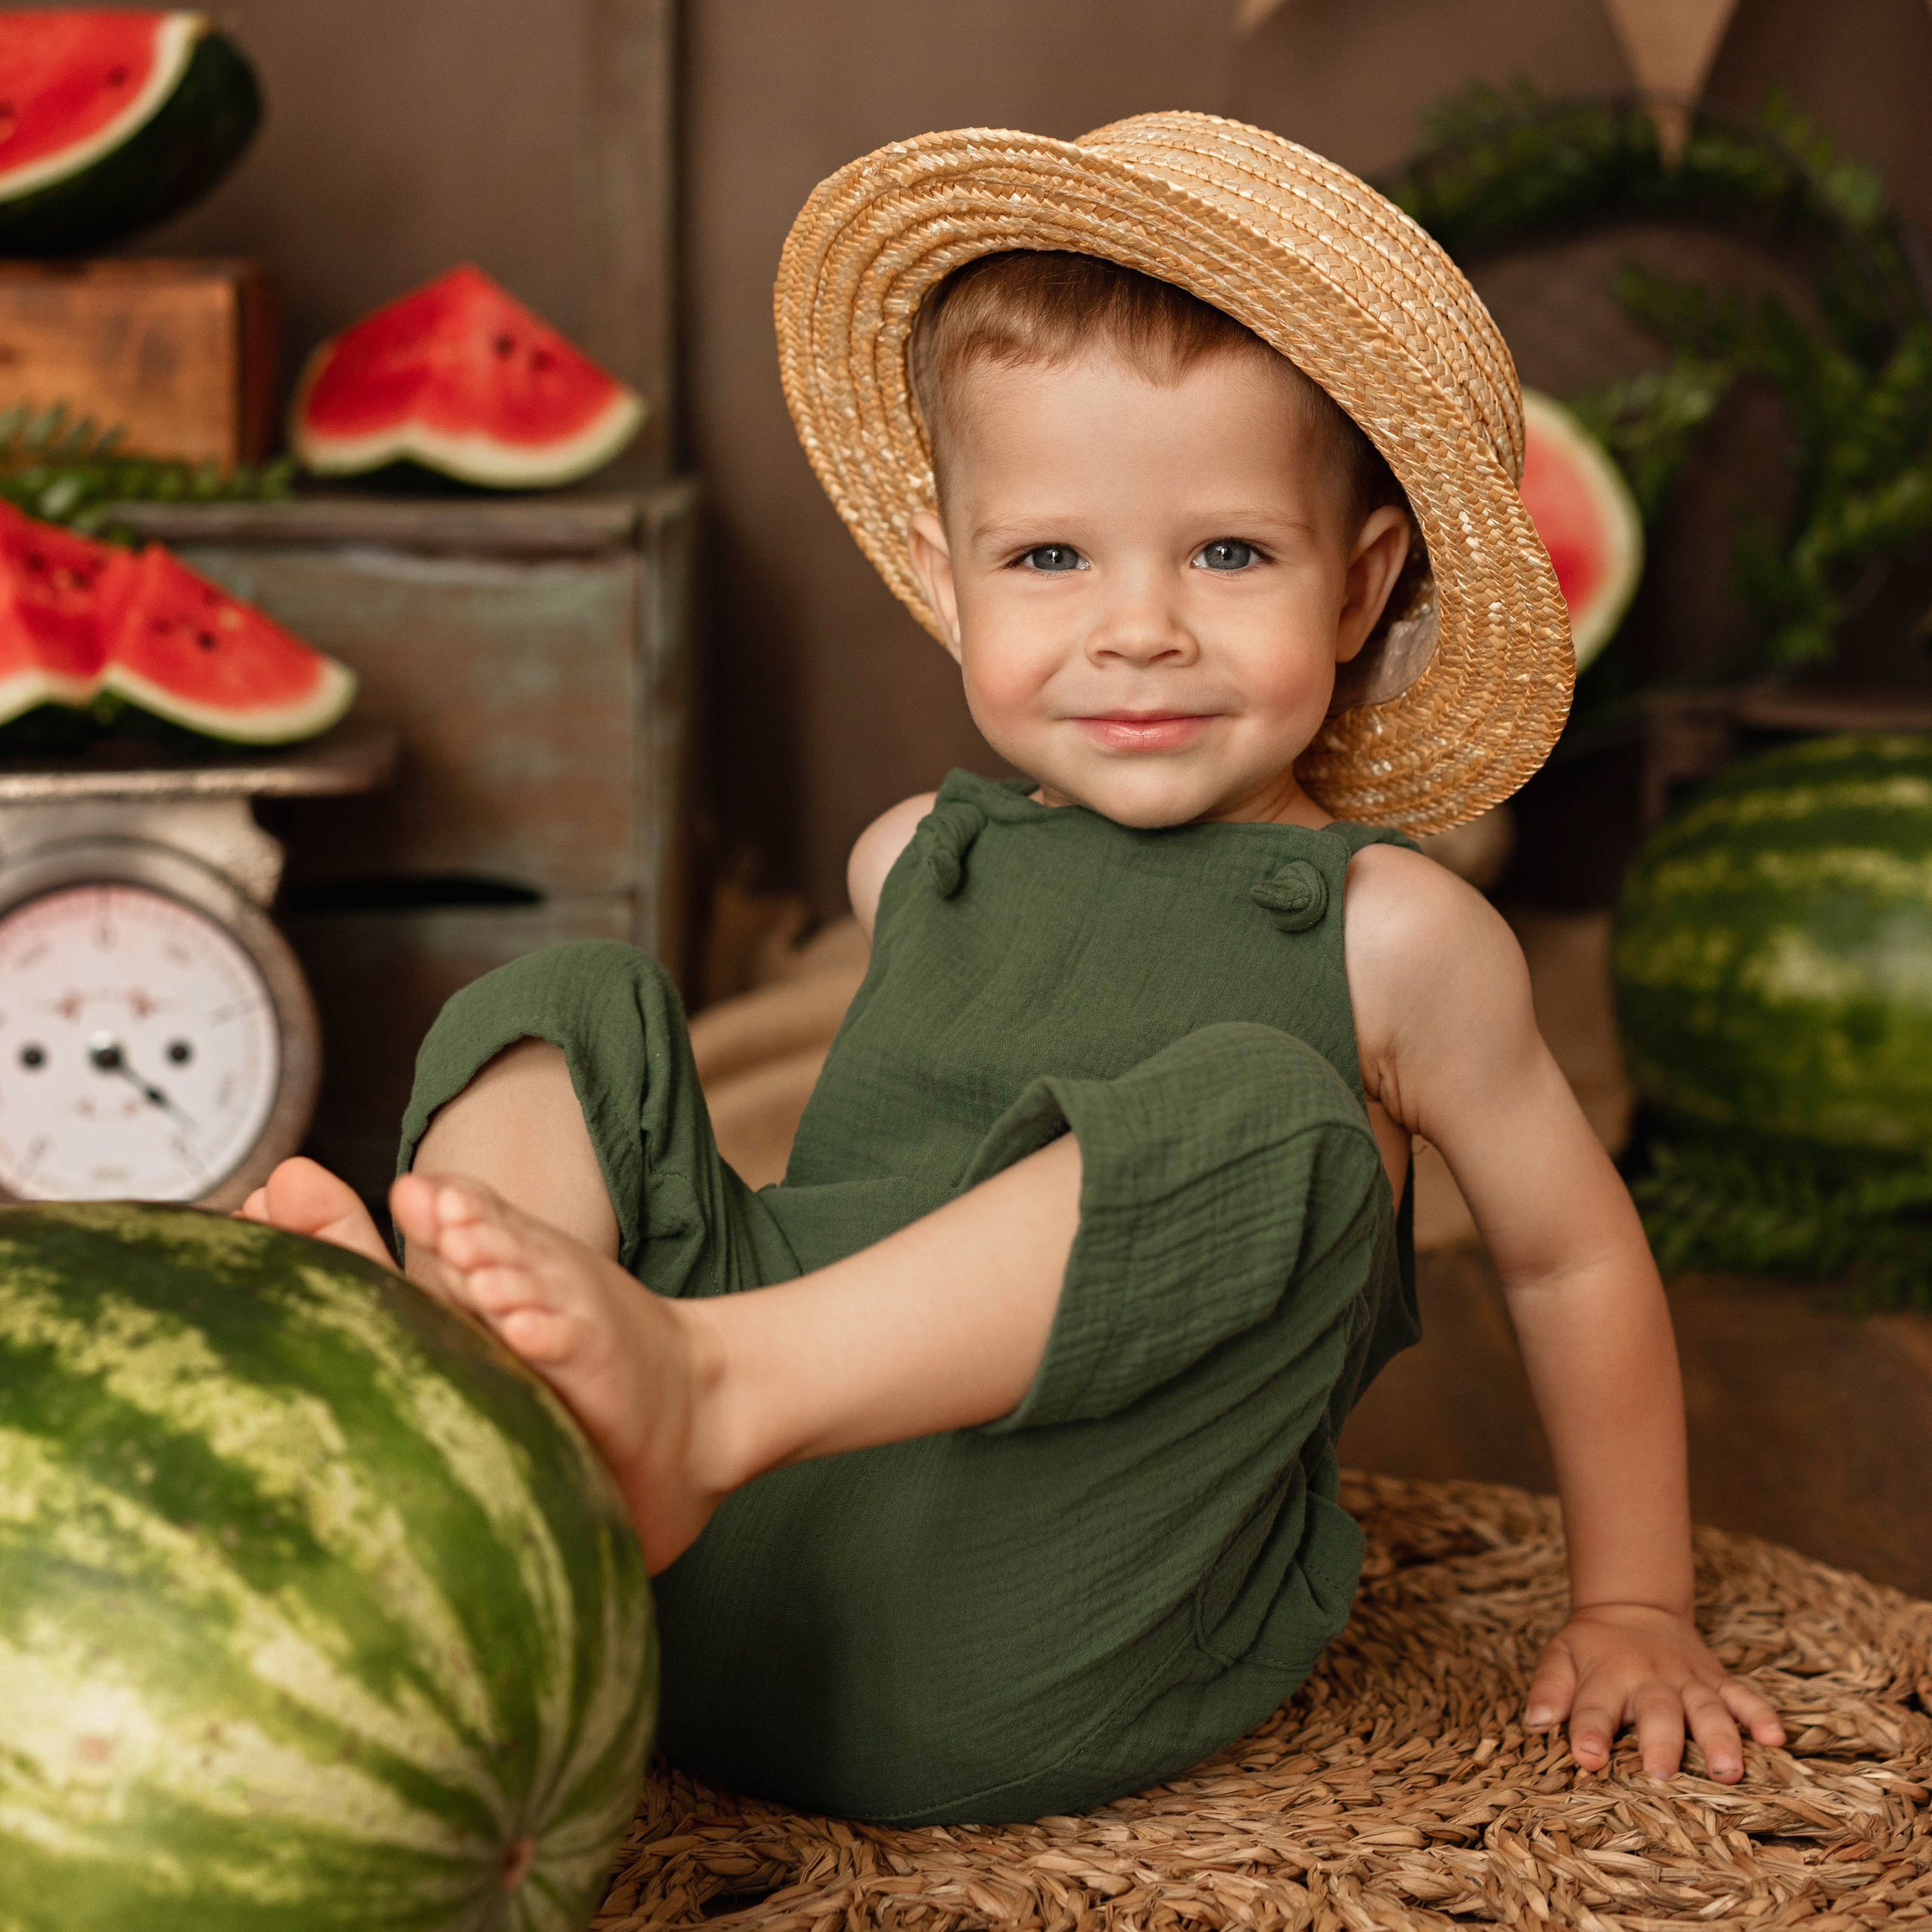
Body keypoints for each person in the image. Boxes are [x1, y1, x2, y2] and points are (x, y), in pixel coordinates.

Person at [248, 113, 1785, 1826]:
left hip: (1022, 1618)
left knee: (1278, 1117)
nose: (1137, 623)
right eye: (1049, 555)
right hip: (696, 1571)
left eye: (1226, 552)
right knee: (574, 997)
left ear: (1357, 590)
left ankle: (693, 1387)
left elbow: (1570, 1261)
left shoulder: (1390, 936)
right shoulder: (915, 856)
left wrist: (1630, 1603)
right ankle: (468, 1410)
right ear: (944, 574)